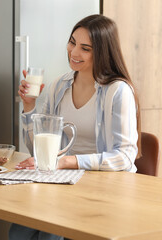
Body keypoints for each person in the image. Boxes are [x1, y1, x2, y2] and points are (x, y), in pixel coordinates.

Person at [9, 14, 141, 240]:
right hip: (62, 182)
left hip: (104, 189)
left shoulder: (117, 91)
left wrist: (66, 162)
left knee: (50, 233)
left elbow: (126, 156)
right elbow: (39, 151)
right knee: (20, 229)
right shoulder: (59, 86)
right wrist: (29, 107)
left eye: (85, 48)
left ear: (102, 51)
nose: (74, 52)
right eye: (72, 42)